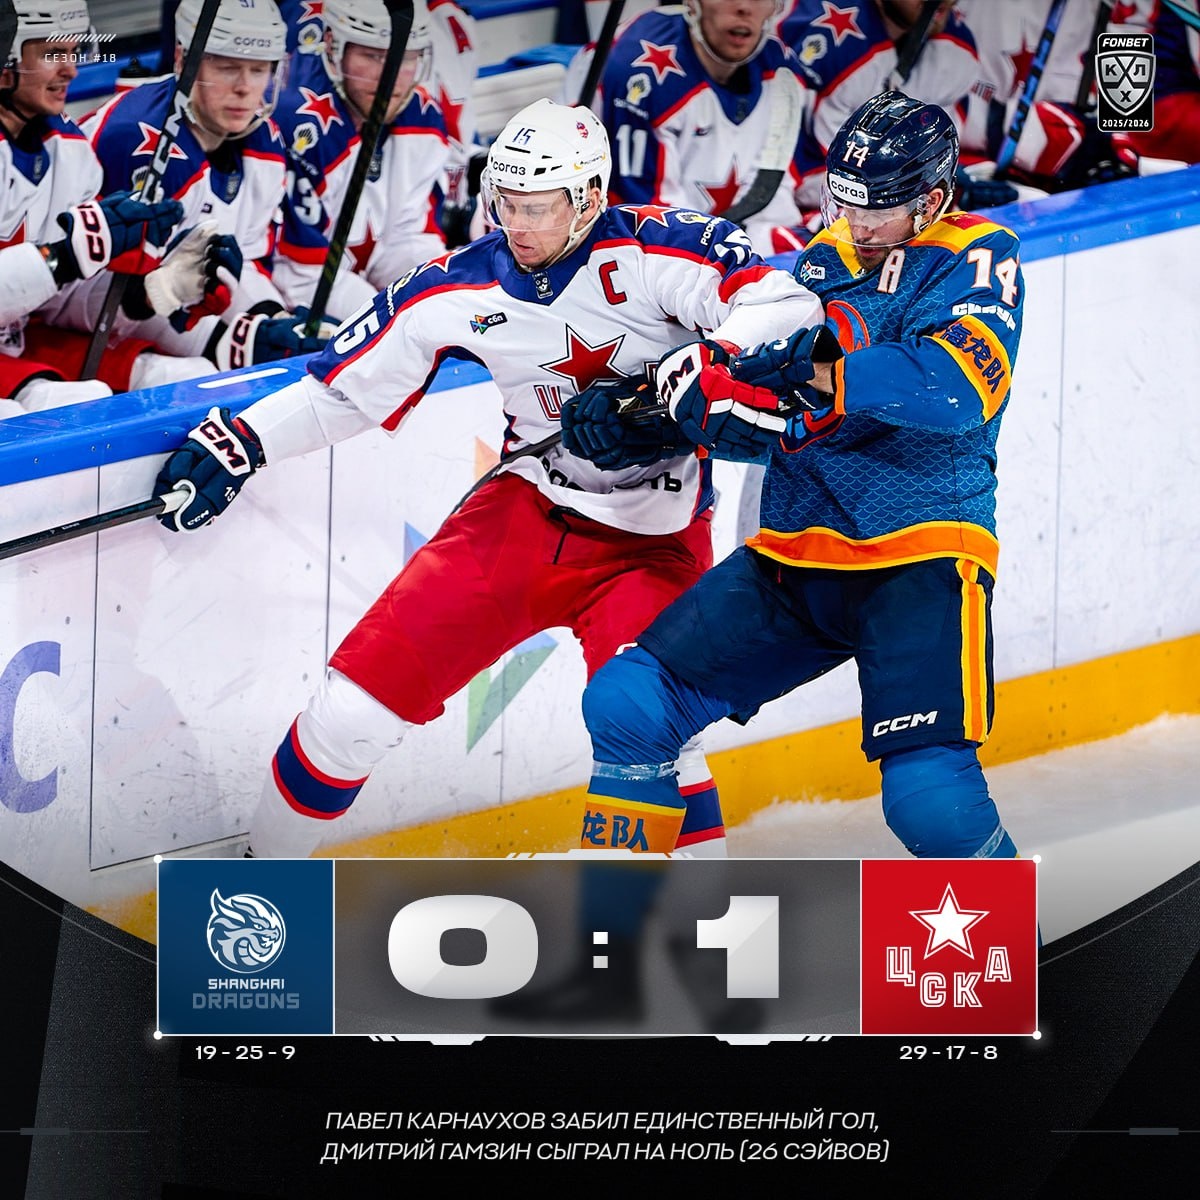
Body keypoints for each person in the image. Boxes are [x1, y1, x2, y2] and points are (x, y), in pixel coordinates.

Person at [152, 98, 824, 860]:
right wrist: (245, 440)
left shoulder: (661, 250)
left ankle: (697, 927)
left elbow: (784, 304)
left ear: (590, 198)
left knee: (657, 736)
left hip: (655, 541)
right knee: (348, 714)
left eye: (539, 206)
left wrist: (675, 388)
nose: (519, 224)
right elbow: (344, 389)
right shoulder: (457, 285)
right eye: (507, 202)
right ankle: (256, 894)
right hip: (524, 515)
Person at [568, 91, 1026, 865]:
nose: (857, 224)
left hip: (918, 554)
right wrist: (650, 418)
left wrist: (816, 372)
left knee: (929, 802)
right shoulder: (824, 260)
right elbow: (776, 415)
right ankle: (628, 909)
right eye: (844, 203)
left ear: (933, 200)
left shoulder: (979, 253)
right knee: (630, 702)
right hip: (796, 550)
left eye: (876, 208)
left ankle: (1009, 944)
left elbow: (956, 386)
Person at [59, 0, 331, 377]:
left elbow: (243, 260)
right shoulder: (139, 142)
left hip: (161, 322)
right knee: (199, 377)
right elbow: (95, 300)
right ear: (182, 60)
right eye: (227, 67)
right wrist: (230, 341)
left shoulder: (264, 139)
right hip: (68, 330)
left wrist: (268, 319)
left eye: (258, 70)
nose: (244, 88)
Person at [0, 1, 226, 411]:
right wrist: (63, 257)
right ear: (6, 61)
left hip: (19, 343)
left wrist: (148, 294)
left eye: (73, 53)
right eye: (53, 54)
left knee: (189, 380)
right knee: (57, 408)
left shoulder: (71, 153)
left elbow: (56, 305)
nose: (70, 71)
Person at [272, 0, 451, 324]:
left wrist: (443, 292)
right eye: (372, 56)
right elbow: (300, 273)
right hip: (283, 298)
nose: (390, 75)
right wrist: (386, 319)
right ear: (333, 47)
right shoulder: (302, 125)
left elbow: (406, 241)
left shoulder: (423, 115)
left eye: (405, 57)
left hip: (350, 279)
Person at [597, 0, 817, 256]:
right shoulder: (640, 77)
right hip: (652, 252)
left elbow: (792, 184)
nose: (744, 7)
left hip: (723, 240)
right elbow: (648, 223)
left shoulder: (782, 71)